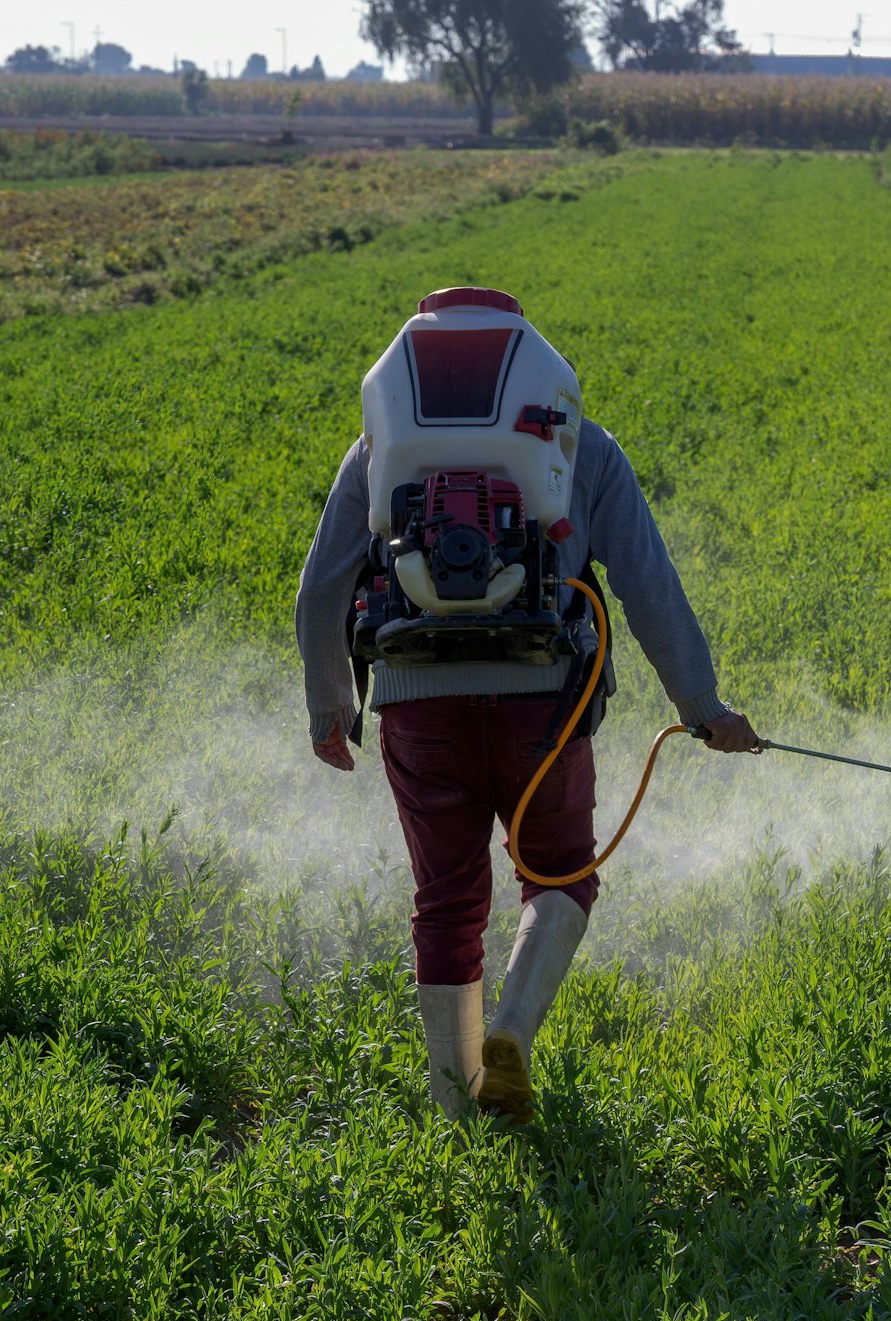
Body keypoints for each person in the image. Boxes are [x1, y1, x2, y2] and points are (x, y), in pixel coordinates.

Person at [297, 288, 757, 1124]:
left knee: (445, 900)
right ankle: (511, 1027)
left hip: (417, 710)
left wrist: (331, 705)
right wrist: (701, 706)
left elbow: (323, 586)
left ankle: (454, 1101)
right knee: (559, 878)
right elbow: (648, 584)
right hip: (542, 711)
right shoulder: (580, 446)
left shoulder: (375, 451)